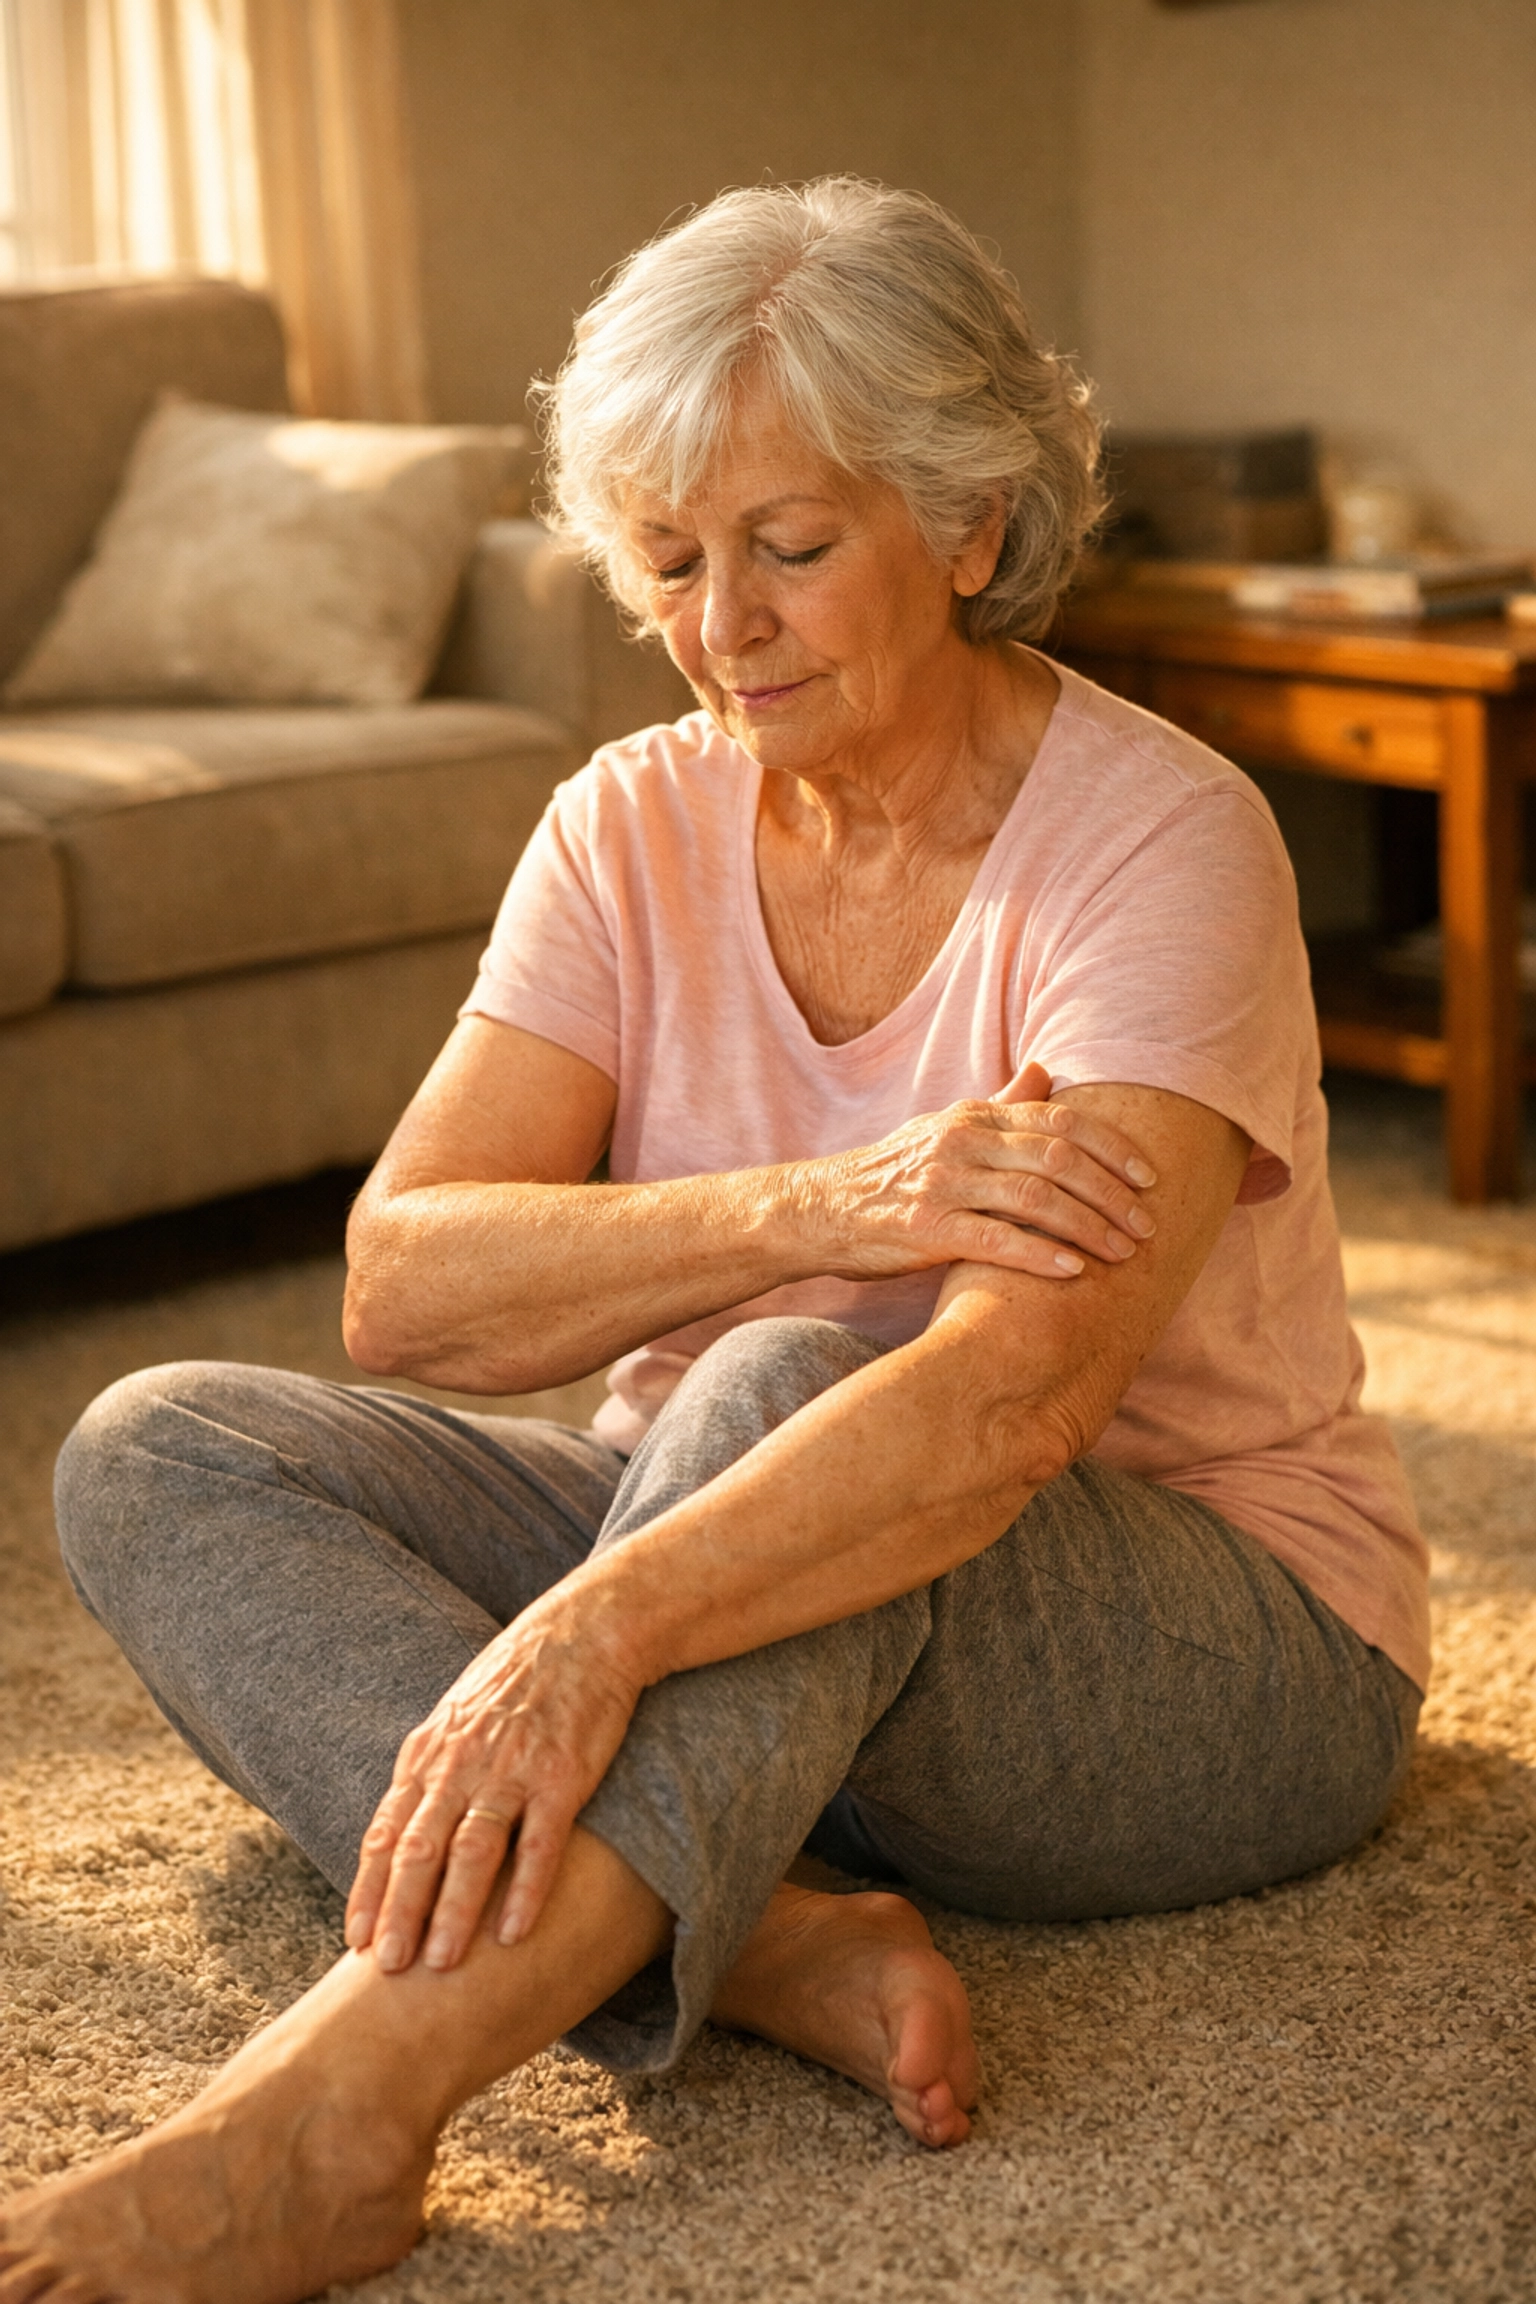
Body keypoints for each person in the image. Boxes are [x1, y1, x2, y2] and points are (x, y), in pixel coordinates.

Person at [2, 177, 1428, 2304]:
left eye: (789, 547)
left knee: (791, 1384)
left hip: (1214, 1657)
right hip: (743, 1571)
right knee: (157, 1441)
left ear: (964, 522)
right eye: (669, 559)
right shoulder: (627, 818)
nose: (718, 627)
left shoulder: (1162, 841)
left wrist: (586, 1640)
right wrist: (823, 1204)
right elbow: (404, 1280)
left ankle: (332, 2115)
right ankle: (756, 1928)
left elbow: (1008, 1400)